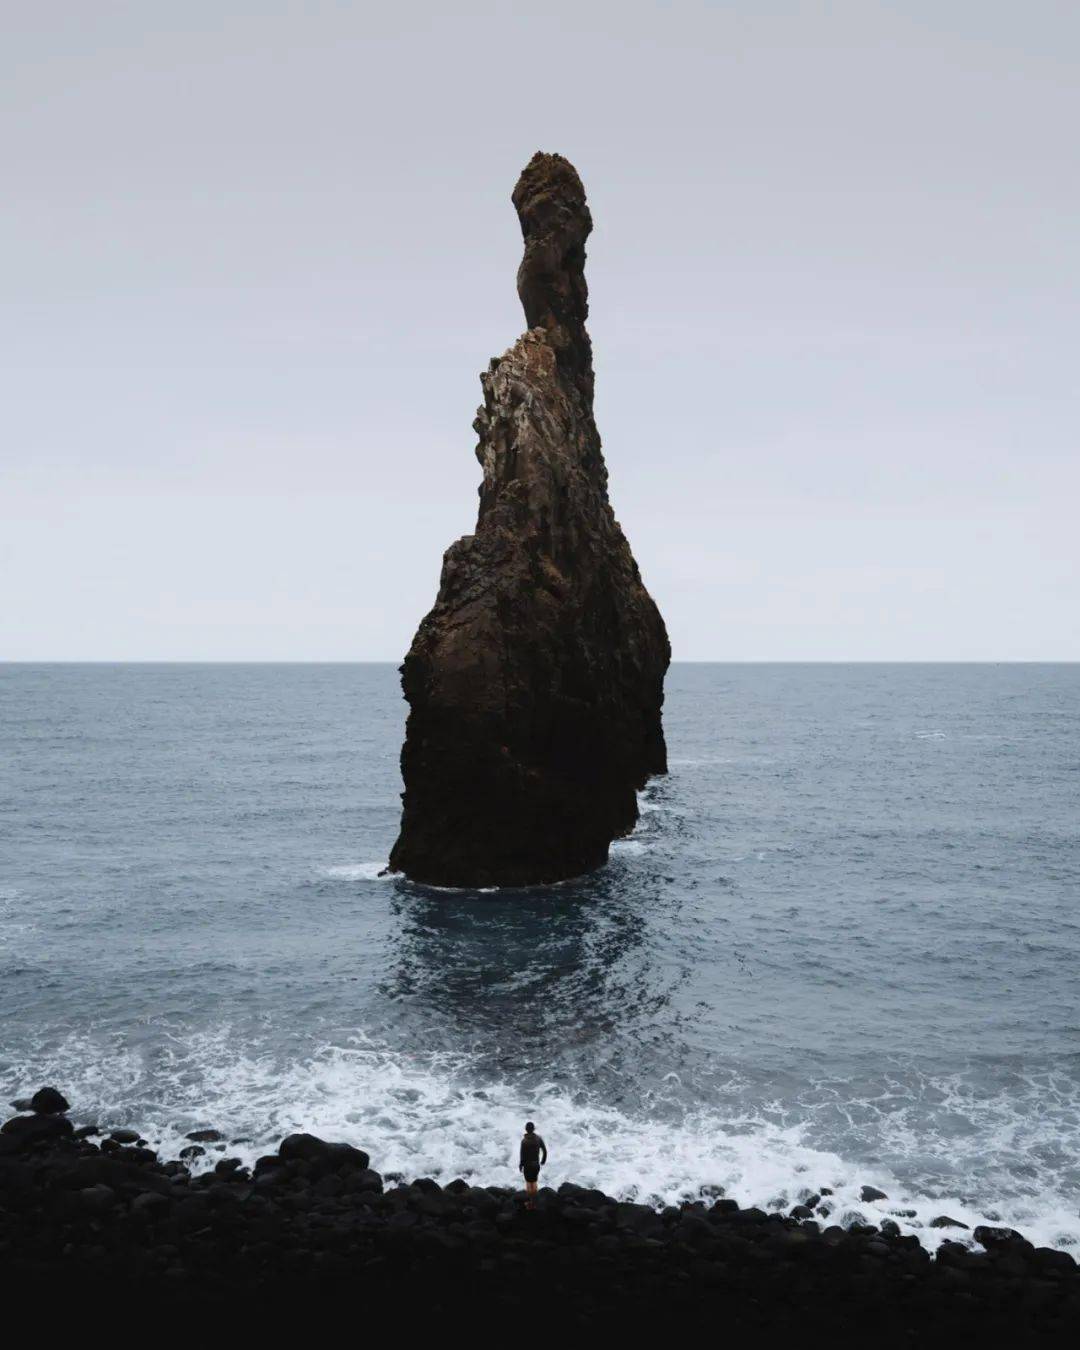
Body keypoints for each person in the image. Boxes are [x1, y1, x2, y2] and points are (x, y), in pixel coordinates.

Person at [518, 1120, 547, 1207]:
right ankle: (535, 1202)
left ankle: (530, 1203)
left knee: (528, 1183)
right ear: (533, 1129)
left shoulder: (524, 1141)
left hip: (527, 1165)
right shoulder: (538, 1138)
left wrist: (521, 1165)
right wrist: (543, 1160)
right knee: (534, 1182)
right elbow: (544, 1151)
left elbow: (522, 1155)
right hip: (536, 1165)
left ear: (526, 1129)